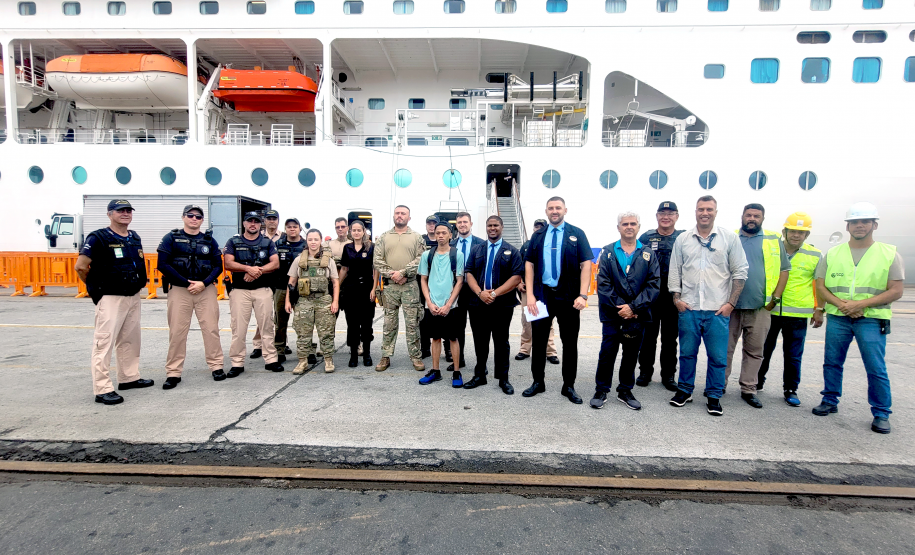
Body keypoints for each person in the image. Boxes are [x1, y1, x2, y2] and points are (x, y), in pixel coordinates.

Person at [813, 202, 904, 434]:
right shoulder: (833, 253)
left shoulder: (889, 253)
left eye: (865, 221)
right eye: (855, 222)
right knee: (832, 361)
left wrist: (859, 305)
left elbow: (895, 290)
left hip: (871, 319)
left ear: (874, 224)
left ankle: (882, 413)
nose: (860, 225)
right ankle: (830, 400)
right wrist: (844, 306)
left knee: (875, 367)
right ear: (847, 226)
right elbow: (821, 286)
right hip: (839, 317)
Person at [668, 195, 748, 416]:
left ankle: (714, 396)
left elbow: (740, 271)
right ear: (695, 211)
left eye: (709, 209)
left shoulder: (729, 239)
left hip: (717, 310)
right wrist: (677, 299)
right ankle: (684, 391)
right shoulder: (683, 239)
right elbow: (675, 271)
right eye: (701, 209)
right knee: (687, 354)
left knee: (718, 357)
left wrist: (731, 303)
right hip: (689, 309)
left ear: (716, 212)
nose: (705, 213)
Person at [74, 199, 153, 405]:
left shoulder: (133, 237)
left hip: (132, 295)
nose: (125, 213)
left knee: (130, 339)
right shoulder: (98, 237)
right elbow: (81, 266)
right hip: (110, 296)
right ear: (110, 214)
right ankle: (102, 389)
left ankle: (129, 377)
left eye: (128, 210)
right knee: (104, 342)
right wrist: (96, 288)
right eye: (120, 211)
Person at [523, 197, 593, 404]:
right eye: (551, 208)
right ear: (546, 211)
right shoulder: (537, 236)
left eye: (558, 208)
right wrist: (530, 296)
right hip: (542, 297)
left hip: (569, 298)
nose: (554, 211)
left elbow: (586, 264)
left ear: (565, 210)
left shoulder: (576, 234)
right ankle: (538, 382)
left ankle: (568, 386)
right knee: (539, 341)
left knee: (570, 343)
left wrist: (583, 294)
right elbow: (529, 265)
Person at [590, 212, 660, 410]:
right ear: (618, 227)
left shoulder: (647, 253)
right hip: (613, 314)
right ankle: (601, 389)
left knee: (630, 354)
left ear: (639, 227)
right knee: (607, 353)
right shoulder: (608, 252)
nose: (629, 226)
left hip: (637, 315)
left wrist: (633, 307)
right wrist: (621, 307)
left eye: (633, 223)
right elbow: (602, 283)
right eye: (625, 224)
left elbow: (654, 284)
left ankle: (625, 390)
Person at [725, 204, 790, 409]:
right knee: (724, 349)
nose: (752, 218)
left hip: (760, 307)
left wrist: (775, 299)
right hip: (730, 306)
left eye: (756, 216)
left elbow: (784, 270)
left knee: (755, 350)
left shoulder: (773, 240)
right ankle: (719, 385)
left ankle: (749, 389)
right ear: (742, 216)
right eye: (748, 215)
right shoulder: (730, 237)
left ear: (762, 218)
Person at [758, 212, 824, 407]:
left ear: (807, 236)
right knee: (763, 350)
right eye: (793, 231)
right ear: (784, 231)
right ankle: (757, 382)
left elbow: (819, 284)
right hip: (770, 310)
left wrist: (819, 309)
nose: (796, 235)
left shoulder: (814, 255)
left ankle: (790, 389)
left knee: (793, 354)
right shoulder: (771, 250)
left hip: (797, 314)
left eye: (801, 232)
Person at [156, 204, 225, 389]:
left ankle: (216, 366)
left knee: (211, 329)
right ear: (183, 217)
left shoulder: (209, 241)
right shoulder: (171, 238)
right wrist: (187, 283)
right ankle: (173, 372)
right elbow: (162, 264)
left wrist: (204, 283)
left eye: (198, 217)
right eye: (191, 215)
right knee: (177, 332)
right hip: (180, 290)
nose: (194, 219)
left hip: (205, 289)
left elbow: (218, 265)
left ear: (202, 220)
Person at [463, 216, 524, 394]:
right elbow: (469, 273)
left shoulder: (512, 251)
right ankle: (480, 375)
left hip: (502, 305)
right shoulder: (477, 249)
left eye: (496, 225)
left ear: (502, 227)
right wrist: (480, 293)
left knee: (501, 342)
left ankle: (503, 379)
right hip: (478, 304)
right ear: (486, 227)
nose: (492, 228)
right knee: (480, 341)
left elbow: (516, 277)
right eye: (489, 225)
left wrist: (495, 293)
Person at [224, 212, 284, 377]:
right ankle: (237, 363)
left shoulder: (267, 243)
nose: (253, 224)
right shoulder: (233, 242)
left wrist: (257, 270)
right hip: (239, 291)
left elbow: (275, 263)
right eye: (249, 221)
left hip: (262, 290)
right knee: (239, 329)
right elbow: (228, 263)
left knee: (267, 326)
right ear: (244, 223)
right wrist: (247, 268)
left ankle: (271, 359)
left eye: (256, 222)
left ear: (260, 224)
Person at [373, 205, 427, 372]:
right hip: (390, 287)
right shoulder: (383, 237)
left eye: (403, 213)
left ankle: (416, 356)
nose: (400, 216)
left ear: (409, 218)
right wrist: (393, 274)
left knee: (412, 323)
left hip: (410, 285)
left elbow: (421, 258)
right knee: (389, 323)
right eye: (397, 213)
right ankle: (385, 356)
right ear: (394, 216)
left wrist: (403, 272)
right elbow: (377, 260)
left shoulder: (417, 237)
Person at [636, 202, 684, 391]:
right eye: (662, 213)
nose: (666, 217)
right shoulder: (646, 237)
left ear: (677, 216)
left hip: (673, 297)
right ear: (657, 216)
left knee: (670, 338)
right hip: (650, 296)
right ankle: (645, 372)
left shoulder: (683, 237)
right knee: (648, 337)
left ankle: (668, 375)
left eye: (670, 213)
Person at [417, 221, 465, 387]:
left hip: (450, 306)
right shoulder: (427, 255)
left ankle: (457, 372)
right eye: (438, 233)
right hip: (433, 305)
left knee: (453, 338)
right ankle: (435, 371)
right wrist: (429, 302)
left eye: (444, 233)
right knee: (435, 338)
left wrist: (448, 304)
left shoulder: (457, 255)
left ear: (451, 235)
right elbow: (423, 279)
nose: (440, 236)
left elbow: (459, 281)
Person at [286, 229, 340, 374]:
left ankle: (328, 359)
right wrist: (288, 301)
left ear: (320, 240)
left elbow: (335, 282)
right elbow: (291, 282)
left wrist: (335, 302)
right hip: (304, 300)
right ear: (306, 241)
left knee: (326, 332)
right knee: (303, 333)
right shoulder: (299, 260)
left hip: (324, 299)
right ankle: (302, 361)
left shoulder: (328, 260)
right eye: (310, 239)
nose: (313, 242)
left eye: (316, 239)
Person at [446, 212, 485, 371]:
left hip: (475, 292)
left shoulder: (482, 244)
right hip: (456, 292)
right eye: (459, 222)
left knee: (479, 330)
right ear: (456, 225)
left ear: (471, 223)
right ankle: (459, 360)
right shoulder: (450, 245)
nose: (462, 225)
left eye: (465, 222)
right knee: (457, 329)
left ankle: (480, 364)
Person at [516, 219, 558, 364]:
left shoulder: (550, 243)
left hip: (544, 291)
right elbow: (520, 266)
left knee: (548, 322)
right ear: (533, 228)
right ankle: (524, 349)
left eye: (541, 226)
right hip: (528, 290)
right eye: (536, 226)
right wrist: (519, 283)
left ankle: (550, 351)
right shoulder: (527, 245)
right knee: (527, 320)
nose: (538, 229)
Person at [339, 219, 378, 368]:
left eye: (359, 230)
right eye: (353, 230)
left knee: (367, 323)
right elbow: (344, 269)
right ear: (350, 232)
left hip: (367, 289)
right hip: (351, 289)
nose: (356, 232)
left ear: (363, 232)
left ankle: (367, 354)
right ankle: (354, 354)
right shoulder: (347, 248)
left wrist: (374, 289)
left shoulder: (371, 247)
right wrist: (337, 286)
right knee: (352, 324)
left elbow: (375, 269)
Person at [273, 219, 306, 362]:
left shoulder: (306, 245)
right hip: (281, 287)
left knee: (304, 321)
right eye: (289, 227)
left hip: (302, 289)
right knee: (280, 321)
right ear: (285, 229)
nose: (292, 229)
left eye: (295, 227)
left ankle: (306, 350)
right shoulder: (277, 245)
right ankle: (279, 350)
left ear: (299, 228)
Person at [250, 208, 282, 359]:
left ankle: (280, 343)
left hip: (279, 279)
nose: (271, 221)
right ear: (265, 221)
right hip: (263, 280)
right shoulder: (258, 237)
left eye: (274, 218)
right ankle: (258, 344)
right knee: (262, 315)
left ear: (277, 220)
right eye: (269, 218)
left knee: (277, 315)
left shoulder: (283, 237)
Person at [419, 215, 439, 359]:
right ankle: (425, 347)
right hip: (424, 282)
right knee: (423, 318)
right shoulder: (420, 240)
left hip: (440, 283)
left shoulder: (444, 241)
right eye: (429, 223)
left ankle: (447, 348)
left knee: (445, 314)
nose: (431, 226)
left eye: (434, 224)